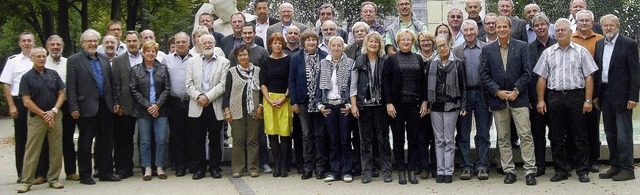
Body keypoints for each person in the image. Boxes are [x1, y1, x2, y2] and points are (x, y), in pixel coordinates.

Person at [534, 18, 597, 184]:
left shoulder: (581, 51)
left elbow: (589, 77)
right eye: (558, 30)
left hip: (577, 97)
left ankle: (582, 171)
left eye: (564, 30)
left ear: (571, 32)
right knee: (556, 136)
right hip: (554, 97)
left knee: (580, 135)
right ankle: (560, 170)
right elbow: (541, 78)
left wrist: (588, 100)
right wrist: (541, 100)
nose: (560, 32)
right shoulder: (548, 53)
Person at [480, 16, 536, 186]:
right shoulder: (487, 49)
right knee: (503, 137)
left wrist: (516, 90)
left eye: (505, 26)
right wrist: (497, 92)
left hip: (519, 99)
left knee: (525, 135)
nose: (502, 29)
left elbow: (527, 73)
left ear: (510, 28)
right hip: (499, 100)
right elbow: (484, 75)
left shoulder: (521, 46)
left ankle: (529, 171)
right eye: (499, 27)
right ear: (494, 29)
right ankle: (509, 170)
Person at [67, 29, 121, 185]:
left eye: (94, 41)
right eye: (88, 41)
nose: (92, 43)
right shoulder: (74, 60)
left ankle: (105, 172)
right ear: (82, 43)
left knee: (106, 141)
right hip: (85, 107)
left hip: (106, 106)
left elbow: (111, 84)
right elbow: (71, 86)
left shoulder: (104, 59)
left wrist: (116, 101)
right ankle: (85, 174)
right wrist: (73, 107)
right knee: (85, 142)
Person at [595, 14, 639, 181]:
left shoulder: (628, 44)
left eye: (611, 25)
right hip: (605, 94)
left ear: (617, 26)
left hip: (623, 96)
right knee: (610, 132)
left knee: (624, 134)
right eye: (605, 25)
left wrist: (633, 97)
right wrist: (596, 95)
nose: (608, 28)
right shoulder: (599, 44)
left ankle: (627, 169)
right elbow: (598, 71)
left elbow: (635, 73)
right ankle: (615, 166)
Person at [15, 47, 65, 193]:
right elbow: (26, 101)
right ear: (32, 58)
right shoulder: (27, 77)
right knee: (32, 150)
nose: (42, 59)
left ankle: (54, 179)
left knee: (56, 149)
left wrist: (54, 111)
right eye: (38, 56)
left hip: (55, 116)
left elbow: (61, 94)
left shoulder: (54, 74)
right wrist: (44, 114)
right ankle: (26, 181)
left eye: (44, 56)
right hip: (37, 118)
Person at [383, 29, 427, 185]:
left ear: (413, 41)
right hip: (397, 106)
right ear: (398, 42)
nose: (406, 42)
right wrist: (388, 102)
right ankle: (401, 169)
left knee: (414, 138)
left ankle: (411, 170)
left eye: (409, 39)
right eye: (403, 40)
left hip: (415, 105)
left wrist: (424, 101)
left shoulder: (418, 59)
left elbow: (423, 82)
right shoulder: (391, 59)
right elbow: (385, 83)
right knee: (398, 139)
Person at [185, 34, 230, 180]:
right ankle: (199, 168)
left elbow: (223, 85)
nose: (207, 45)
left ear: (214, 43)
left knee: (215, 139)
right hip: (197, 105)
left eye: (210, 42)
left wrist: (207, 97)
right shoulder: (192, 62)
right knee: (197, 139)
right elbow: (188, 84)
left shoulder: (224, 62)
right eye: (204, 42)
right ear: (199, 44)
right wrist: (199, 96)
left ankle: (215, 167)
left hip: (214, 105)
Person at [350, 31, 391, 183]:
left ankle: (386, 170)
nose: (373, 44)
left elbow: (388, 85)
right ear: (366, 44)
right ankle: (366, 171)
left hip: (381, 106)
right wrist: (354, 105)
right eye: (371, 41)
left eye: (376, 42)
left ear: (380, 44)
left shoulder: (385, 61)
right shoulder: (359, 61)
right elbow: (353, 86)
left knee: (383, 139)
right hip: (364, 106)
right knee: (365, 140)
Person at [453, 20, 490, 181]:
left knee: (483, 132)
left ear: (477, 31)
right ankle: (466, 166)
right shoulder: (457, 50)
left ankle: (482, 166)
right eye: (466, 30)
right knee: (463, 132)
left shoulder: (486, 48)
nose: (469, 33)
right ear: (462, 32)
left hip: (482, 95)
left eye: (471, 30)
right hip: (465, 95)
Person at [289, 29, 328, 180]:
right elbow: (291, 81)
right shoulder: (296, 58)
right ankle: (308, 167)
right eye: (308, 40)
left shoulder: (325, 56)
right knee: (306, 135)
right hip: (303, 101)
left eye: (314, 40)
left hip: (320, 102)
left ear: (318, 42)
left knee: (320, 135)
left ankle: (320, 167)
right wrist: (293, 101)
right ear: (303, 42)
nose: (311, 42)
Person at [129, 41, 171, 181]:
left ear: (156, 53)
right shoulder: (136, 70)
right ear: (143, 52)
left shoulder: (163, 69)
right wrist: (148, 106)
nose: (150, 53)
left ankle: (159, 167)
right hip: (143, 111)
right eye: (148, 51)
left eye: (153, 51)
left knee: (160, 139)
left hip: (161, 110)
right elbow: (133, 90)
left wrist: (157, 105)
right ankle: (147, 167)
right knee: (145, 141)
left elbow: (167, 89)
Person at [314, 36, 354, 183]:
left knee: (345, 140)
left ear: (343, 47)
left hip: (344, 106)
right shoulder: (323, 63)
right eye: (334, 45)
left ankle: (347, 171)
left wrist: (350, 105)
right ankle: (334, 171)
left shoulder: (350, 63)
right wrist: (319, 105)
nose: (336, 48)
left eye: (339, 45)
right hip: (329, 106)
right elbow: (318, 86)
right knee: (332, 140)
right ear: (329, 47)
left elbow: (353, 86)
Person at [427, 35, 466, 184]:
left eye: (444, 45)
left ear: (449, 45)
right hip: (435, 106)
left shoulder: (458, 63)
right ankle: (440, 170)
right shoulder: (432, 63)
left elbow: (463, 87)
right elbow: (427, 86)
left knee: (449, 140)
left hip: (452, 105)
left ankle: (448, 171)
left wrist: (463, 105)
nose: (442, 48)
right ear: (435, 48)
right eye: (439, 46)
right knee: (438, 140)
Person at [570, 9, 605, 173]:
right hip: (574, 90)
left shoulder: (600, 40)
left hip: (594, 89)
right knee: (573, 127)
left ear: (592, 22)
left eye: (587, 20)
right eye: (581, 20)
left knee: (592, 126)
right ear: (576, 22)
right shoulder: (569, 38)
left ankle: (592, 160)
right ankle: (573, 160)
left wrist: (597, 94)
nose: (584, 23)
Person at [1, 32, 36, 183]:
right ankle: (22, 173)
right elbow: (6, 84)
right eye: (24, 41)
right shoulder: (13, 61)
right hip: (20, 103)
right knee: (22, 139)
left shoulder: (40, 57)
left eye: (29, 40)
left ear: (34, 43)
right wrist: (11, 106)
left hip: (38, 103)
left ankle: (39, 172)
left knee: (38, 138)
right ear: (19, 44)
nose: (27, 43)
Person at [223, 45, 262, 178]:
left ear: (249, 55)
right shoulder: (232, 72)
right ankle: (237, 168)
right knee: (238, 139)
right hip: (236, 109)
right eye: (240, 55)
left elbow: (262, 91)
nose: (243, 57)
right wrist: (226, 110)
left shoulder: (257, 71)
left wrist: (260, 106)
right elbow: (226, 92)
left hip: (254, 109)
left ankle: (253, 167)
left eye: (245, 54)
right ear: (236, 57)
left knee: (252, 139)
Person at [44, 35, 79, 181]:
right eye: (52, 45)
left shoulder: (68, 62)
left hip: (66, 105)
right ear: (47, 47)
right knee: (46, 140)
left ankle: (70, 171)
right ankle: (43, 174)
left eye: (58, 45)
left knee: (67, 139)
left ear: (62, 47)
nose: (55, 47)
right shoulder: (42, 61)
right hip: (46, 106)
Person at [527, 12, 557, 177]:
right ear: (532, 28)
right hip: (535, 100)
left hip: (556, 98)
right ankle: (540, 166)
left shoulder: (557, 44)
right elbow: (528, 75)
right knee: (537, 134)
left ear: (548, 25)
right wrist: (532, 99)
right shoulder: (529, 48)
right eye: (536, 25)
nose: (539, 28)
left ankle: (560, 164)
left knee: (557, 133)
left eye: (542, 24)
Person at [162, 32, 196, 177]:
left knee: (192, 133)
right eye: (178, 42)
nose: (181, 44)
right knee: (177, 134)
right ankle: (180, 165)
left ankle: (192, 163)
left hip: (192, 101)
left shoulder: (195, 59)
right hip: (174, 101)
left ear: (189, 43)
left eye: (184, 41)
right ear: (174, 44)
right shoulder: (166, 59)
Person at [260, 33, 293, 177]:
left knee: (285, 133)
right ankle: (277, 165)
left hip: (284, 99)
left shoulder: (289, 60)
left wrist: (284, 98)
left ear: (283, 44)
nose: (277, 45)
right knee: (272, 134)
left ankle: (285, 165)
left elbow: (291, 81)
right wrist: (268, 99)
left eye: (280, 43)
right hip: (269, 100)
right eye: (274, 43)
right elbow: (263, 83)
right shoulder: (266, 61)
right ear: (270, 45)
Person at [110, 31, 141, 180]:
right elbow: (115, 84)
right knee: (124, 138)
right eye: (129, 41)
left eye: (134, 40)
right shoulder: (118, 61)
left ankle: (147, 165)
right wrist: (117, 103)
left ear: (139, 41)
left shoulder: (146, 57)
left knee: (145, 137)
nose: (132, 43)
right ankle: (123, 167)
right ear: (125, 42)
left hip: (143, 105)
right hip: (125, 104)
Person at [415, 31, 437, 179]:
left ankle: (436, 166)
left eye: (428, 40)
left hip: (437, 103)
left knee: (436, 137)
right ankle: (423, 167)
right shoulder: (415, 58)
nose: (425, 43)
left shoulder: (438, 57)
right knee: (421, 137)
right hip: (419, 103)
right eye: (422, 41)